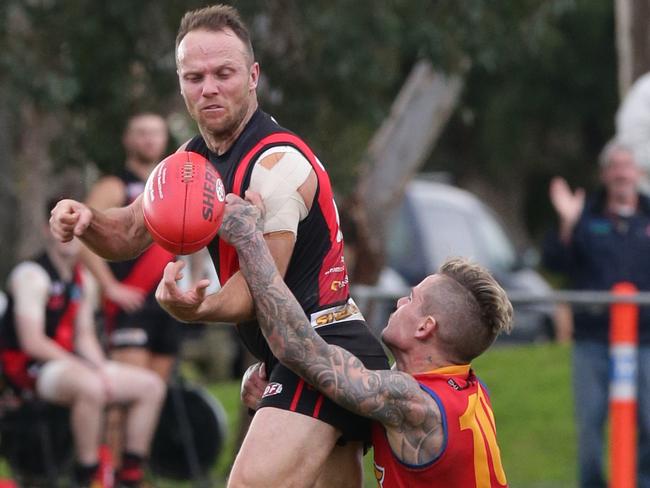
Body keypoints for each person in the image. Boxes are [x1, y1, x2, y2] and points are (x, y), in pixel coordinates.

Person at [49, 4, 388, 487]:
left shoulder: (276, 166)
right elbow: (127, 231)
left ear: (252, 76)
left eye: (223, 73)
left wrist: (195, 308)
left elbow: (256, 291)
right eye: (194, 76)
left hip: (323, 347)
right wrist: (85, 220)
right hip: (293, 354)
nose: (208, 87)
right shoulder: (190, 159)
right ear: (181, 83)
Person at [218, 192, 512, 487]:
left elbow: (299, 347)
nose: (398, 301)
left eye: (411, 299)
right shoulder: (462, 390)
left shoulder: (413, 402)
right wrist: (272, 387)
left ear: (425, 327)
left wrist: (249, 240)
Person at [0, 204, 165, 488]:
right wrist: (84, 368)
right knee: (91, 386)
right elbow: (32, 341)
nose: (72, 236)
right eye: (65, 226)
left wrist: (101, 367)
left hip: (69, 365)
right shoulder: (31, 275)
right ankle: (88, 474)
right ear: (48, 229)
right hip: (29, 371)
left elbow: (84, 336)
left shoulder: (83, 280)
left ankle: (130, 475)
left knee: (150, 386)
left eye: (78, 229)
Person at [543, 139, 650, 488]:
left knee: (649, 423)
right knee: (590, 428)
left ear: (638, 173)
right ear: (605, 174)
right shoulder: (584, 218)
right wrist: (567, 225)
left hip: (645, 342)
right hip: (593, 341)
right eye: (615, 166)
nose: (622, 173)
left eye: (627, 165)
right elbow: (556, 262)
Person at [80, 112, 183, 467]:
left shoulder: (172, 182)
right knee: (124, 400)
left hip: (167, 305)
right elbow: (84, 237)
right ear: (127, 139)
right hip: (131, 303)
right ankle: (106, 472)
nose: (149, 140)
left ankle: (133, 472)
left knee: (153, 394)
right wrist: (110, 288)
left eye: (156, 133)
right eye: (141, 133)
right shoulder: (114, 184)